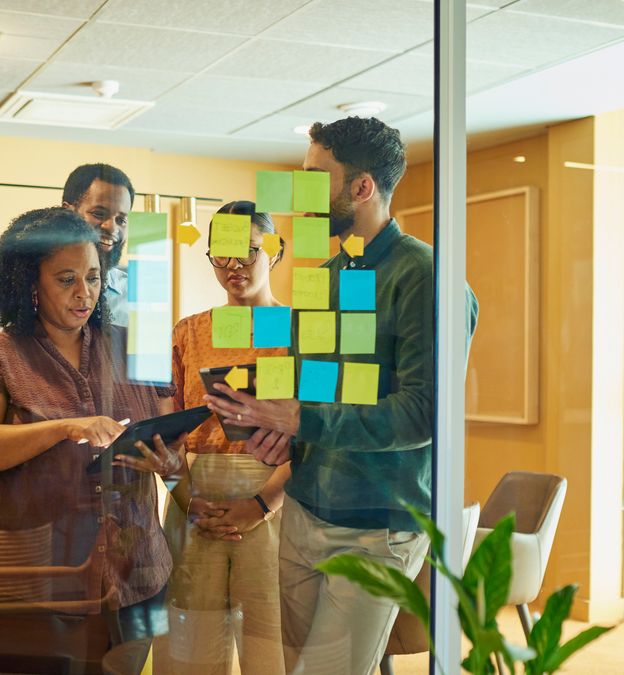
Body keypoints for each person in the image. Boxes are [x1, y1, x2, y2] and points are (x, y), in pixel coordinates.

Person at [205, 117, 480, 675]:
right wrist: (274, 428)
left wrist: (302, 418)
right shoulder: (325, 277)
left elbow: (424, 413)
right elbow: (319, 394)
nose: (301, 191)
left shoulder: (426, 277)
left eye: (314, 177)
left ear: (361, 187)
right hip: (305, 511)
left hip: (378, 524)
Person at [0, 207, 183, 673]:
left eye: (93, 277)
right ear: (29, 284)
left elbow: (172, 444)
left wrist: (168, 462)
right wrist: (66, 427)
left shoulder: (134, 349)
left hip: (134, 572)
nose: (84, 292)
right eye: (66, 279)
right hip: (34, 577)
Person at [155, 202, 290, 674]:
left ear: (274, 252)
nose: (233, 267)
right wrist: (187, 498)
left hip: (277, 495)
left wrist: (263, 503)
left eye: (247, 253)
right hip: (194, 499)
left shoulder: (301, 333)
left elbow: (321, 436)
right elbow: (166, 430)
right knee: (189, 646)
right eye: (221, 255)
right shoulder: (188, 332)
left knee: (270, 643)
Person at [0, 163, 136, 370]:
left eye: (121, 219)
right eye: (99, 214)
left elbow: (155, 388)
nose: (112, 227)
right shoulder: (20, 280)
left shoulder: (136, 296)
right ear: (67, 212)